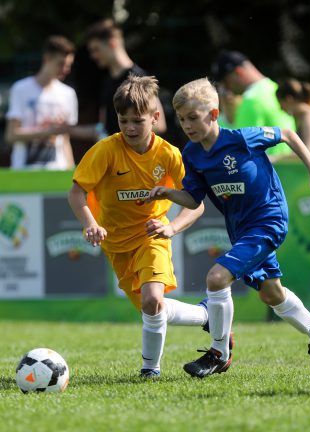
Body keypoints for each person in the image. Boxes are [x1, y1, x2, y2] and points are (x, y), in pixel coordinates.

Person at [146, 77, 310, 378]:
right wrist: (169, 193)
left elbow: (287, 133)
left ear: (213, 114)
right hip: (240, 229)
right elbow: (194, 198)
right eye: (182, 119)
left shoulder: (241, 139)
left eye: (193, 118)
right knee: (271, 293)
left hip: (268, 219)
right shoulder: (192, 155)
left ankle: (219, 352)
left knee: (217, 277)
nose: (187, 125)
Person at [68, 75, 211, 378]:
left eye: (138, 120)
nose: (130, 128)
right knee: (153, 309)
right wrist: (91, 224)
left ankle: (150, 370)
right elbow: (76, 192)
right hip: (117, 245)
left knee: (152, 299)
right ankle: (206, 315)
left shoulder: (170, 155)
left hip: (152, 237)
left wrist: (171, 228)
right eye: (123, 121)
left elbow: (196, 203)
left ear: (155, 117)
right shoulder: (105, 150)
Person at [5, 35, 78, 170]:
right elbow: (11, 135)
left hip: (58, 169)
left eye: (69, 65)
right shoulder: (20, 89)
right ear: (47, 59)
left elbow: (65, 139)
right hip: (24, 171)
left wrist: (71, 172)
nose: (65, 69)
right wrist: (49, 131)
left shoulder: (68, 94)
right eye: (61, 64)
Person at [85, 18, 167, 136]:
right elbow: (102, 129)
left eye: (96, 49)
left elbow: (159, 125)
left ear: (112, 43)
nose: (93, 56)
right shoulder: (106, 82)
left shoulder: (140, 78)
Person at [211, 50, 295, 162]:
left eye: (226, 82)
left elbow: (242, 150)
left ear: (238, 72)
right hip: (290, 171)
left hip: (269, 173)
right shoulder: (275, 89)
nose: (227, 89)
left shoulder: (251, 100)